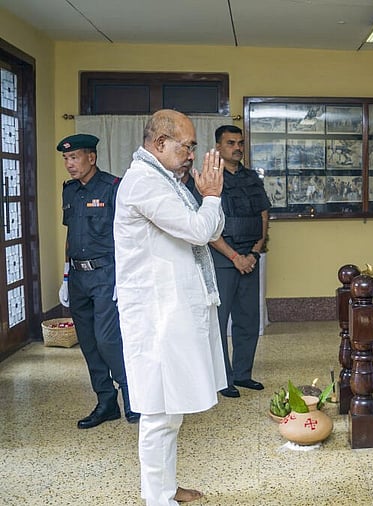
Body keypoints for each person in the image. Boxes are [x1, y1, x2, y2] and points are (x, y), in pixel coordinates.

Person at [114, 109, 226, 505]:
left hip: (171, 309)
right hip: (156, 314)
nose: (192, 155)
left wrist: (210, 199)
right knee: (158, 412)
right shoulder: (144, 182)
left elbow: (211, 228)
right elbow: (198, 229)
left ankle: (166, 487)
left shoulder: (166, 181)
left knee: (170, 408)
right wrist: (211, 196)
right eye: (187, 146)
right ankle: (157, 498)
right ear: (160, 143)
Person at [58, 133, 137, 429]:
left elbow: (128, 235)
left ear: (91, 157)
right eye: (66, 158)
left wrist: (123, 276)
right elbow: (71, 234)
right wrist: (66, 275)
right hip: (78, 276)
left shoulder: (114, 188)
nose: (69, 164)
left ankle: (132, 395)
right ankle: (106, 402)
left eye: (74, 157)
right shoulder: (69, 191)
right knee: (89, 342)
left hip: (107, 274)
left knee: (108, 339)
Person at [208, 125, 271, 398]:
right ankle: (223, 378)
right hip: (223, 259)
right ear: (218, 147)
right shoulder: (210, 179)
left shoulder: (252, 178)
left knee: (248, 319)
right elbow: (207, 226)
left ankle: (243, 374)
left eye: (240, 143)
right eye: (231, 143)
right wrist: (235, 257)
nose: (237, 148)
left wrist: (254, 253)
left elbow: (263, 215)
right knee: (220, 322)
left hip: (250, 259)